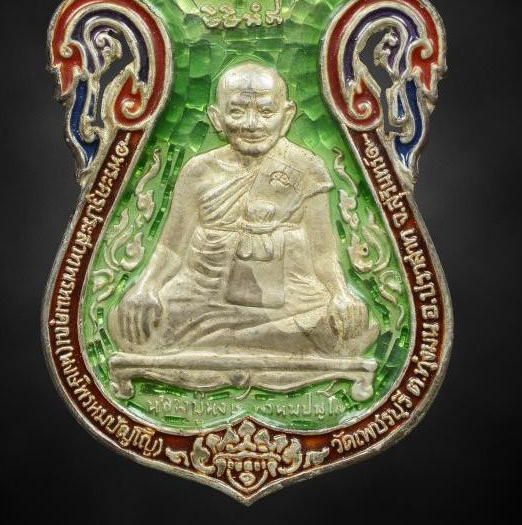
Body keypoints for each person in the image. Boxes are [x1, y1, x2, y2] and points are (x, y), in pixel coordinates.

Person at [108, 62, 377, 364]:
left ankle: (223, 343)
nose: (252, 124)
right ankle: (254, 342)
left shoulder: (305, 167)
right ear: (217, 118)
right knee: (128, 326)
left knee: (351, 330)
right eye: (236, 112)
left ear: (287, 116)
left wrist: (340, 294)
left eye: (266, 112)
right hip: (204, 296)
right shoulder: (199, 171)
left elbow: (323, 252)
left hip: (288, 299)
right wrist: (146, 287)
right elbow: (171, 247)